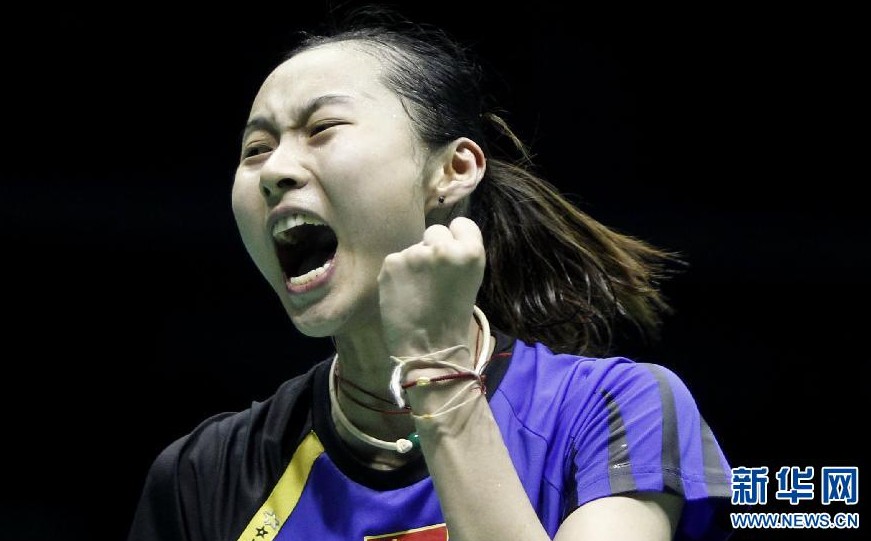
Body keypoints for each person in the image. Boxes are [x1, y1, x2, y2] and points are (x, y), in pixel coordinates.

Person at [128, 5, 734, 540]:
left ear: (454, 170)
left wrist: (437, 364)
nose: (274, 170)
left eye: (322, 129)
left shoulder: (612, 409)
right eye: (256, 149)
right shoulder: (206, 474)